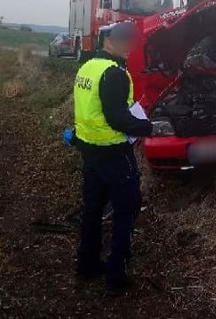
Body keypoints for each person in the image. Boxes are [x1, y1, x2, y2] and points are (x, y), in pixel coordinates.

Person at [72, 21, 152, 292]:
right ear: (108, 41)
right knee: (126, 210)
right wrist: (148, 127)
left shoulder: (87, 67)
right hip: (115, 153)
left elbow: (92, 109)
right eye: (123, 40)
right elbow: (118, 119)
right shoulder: (115, 73)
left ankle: (87, 264)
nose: (129, 46)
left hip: (89, 150)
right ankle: (117, 276)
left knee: (92, 208)